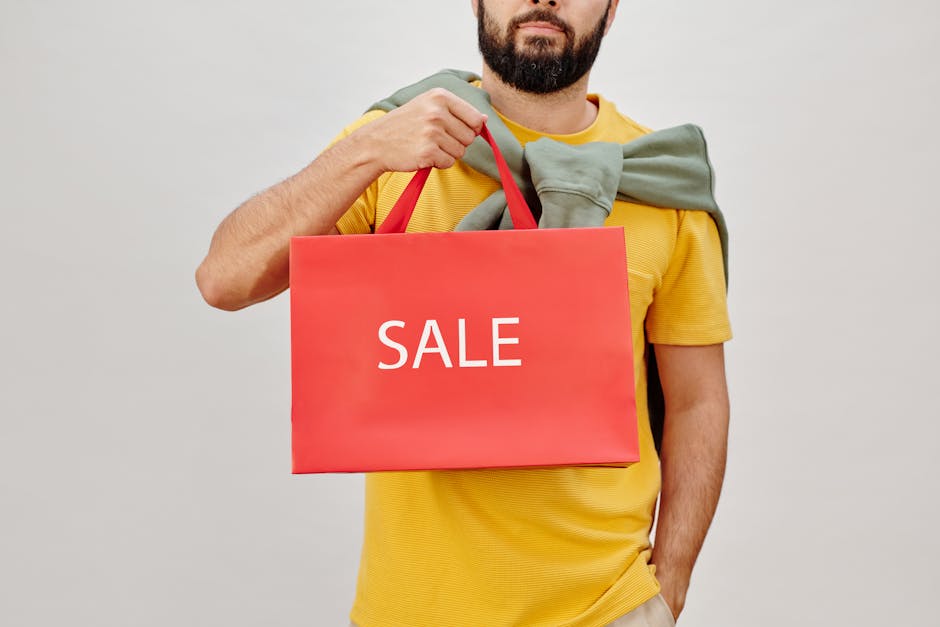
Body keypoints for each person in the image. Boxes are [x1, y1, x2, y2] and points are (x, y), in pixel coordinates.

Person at [196, 1, 731, 625]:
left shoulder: (661, 178)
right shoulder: (395, 141)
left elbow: (697, 399)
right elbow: (223, 279)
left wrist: (670, 587)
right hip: (414, 608)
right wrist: (363, 154)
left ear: (612, 10)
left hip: (608, 606)